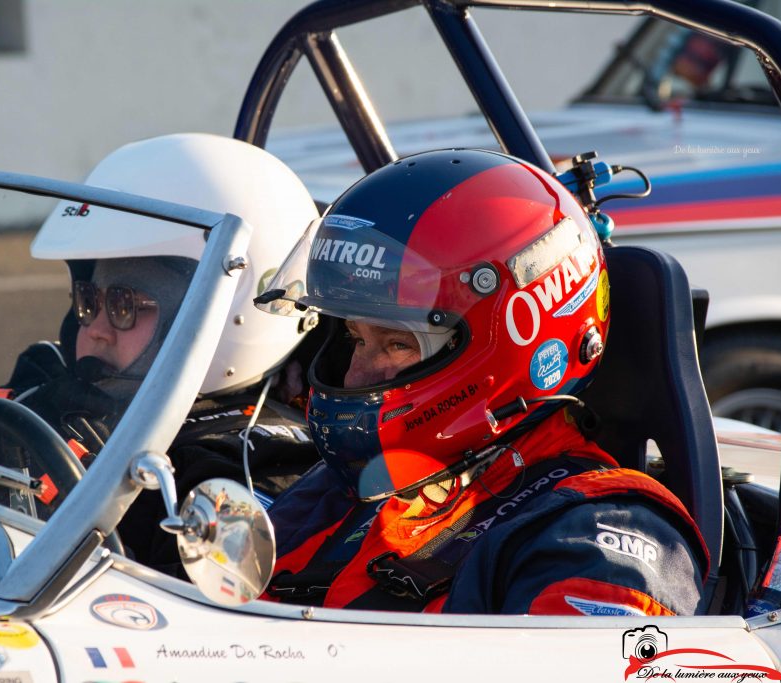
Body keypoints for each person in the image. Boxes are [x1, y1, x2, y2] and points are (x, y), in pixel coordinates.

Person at [253, 148, 708, 615]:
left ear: (516, 335)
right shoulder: (352, 483)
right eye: (354, 338)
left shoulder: (598, 542)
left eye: (397, 345)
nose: (357, 374)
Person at [0, 133, 321, 569]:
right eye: (89, 300)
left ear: (221, 311)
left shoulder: (241, 473)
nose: (97, 330)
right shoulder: (49, 384)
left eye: (125, 306)